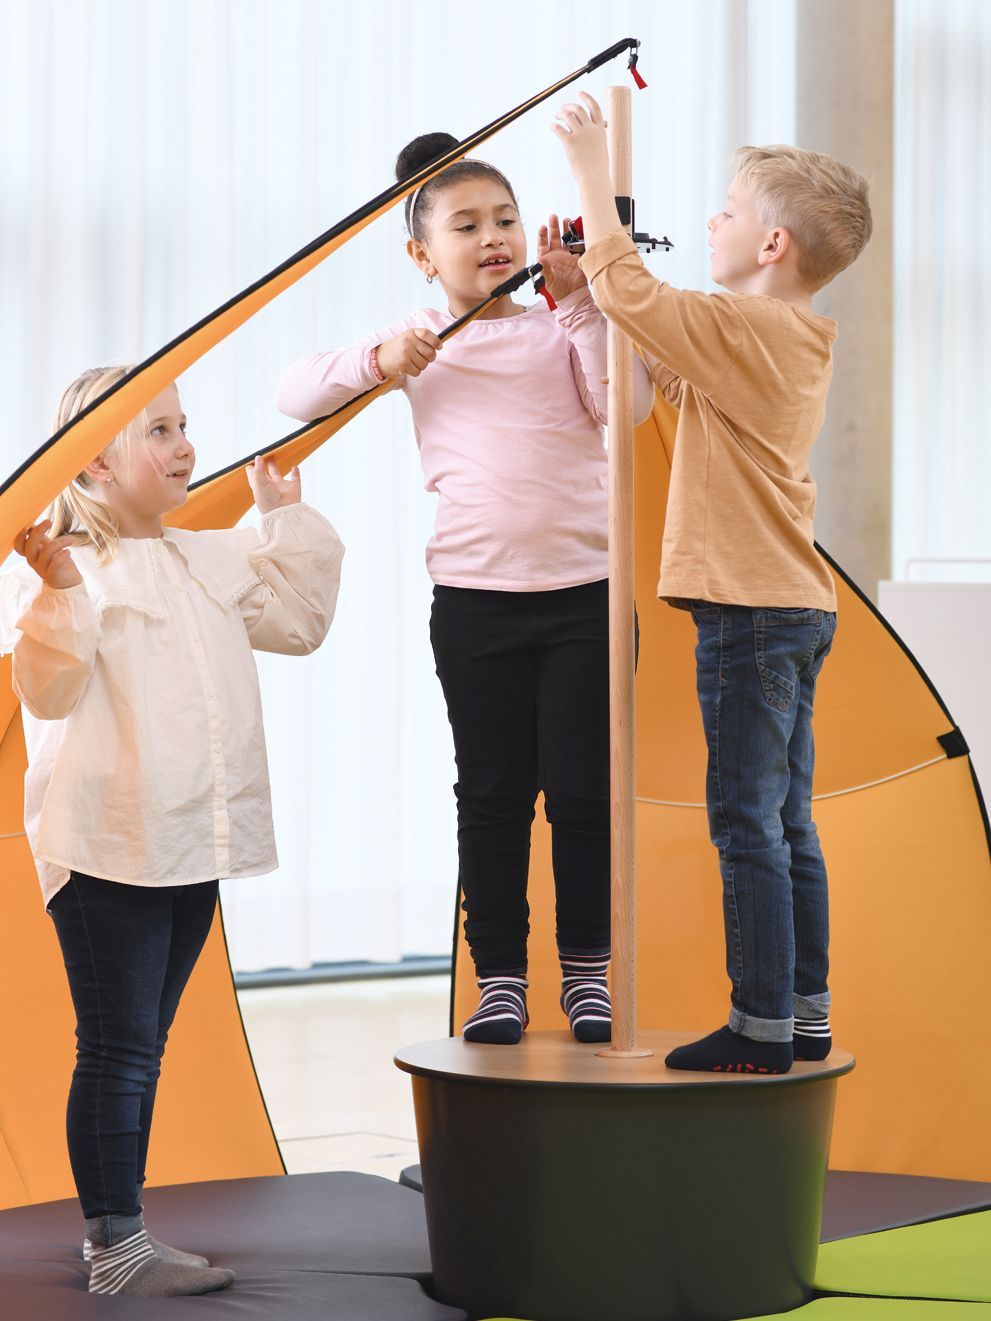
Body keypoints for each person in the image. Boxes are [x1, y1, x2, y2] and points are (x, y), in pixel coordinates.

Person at [277, 133, 653, 1046]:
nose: (493, 236)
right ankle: (501, 980)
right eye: (467, 224)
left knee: (582, 796)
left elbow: (626, 408)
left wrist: (579, 307)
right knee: (489, 795)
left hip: (586, 598)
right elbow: (296, 395)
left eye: (506, 219)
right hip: (475, 603)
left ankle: (587, 974)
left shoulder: (558, 320)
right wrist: (379, 356)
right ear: (421, 254)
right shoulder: (417, 346)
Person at [0, 365, 344, 1292]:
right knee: (115, 1046)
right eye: (156, 431)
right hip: (109, 848)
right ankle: (115, 1246)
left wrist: (279, 515)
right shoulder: (75, 571)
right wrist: (63, 591)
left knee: (142, 1045)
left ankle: (128, 1233)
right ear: (97, 467)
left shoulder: (209, 557)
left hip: (192, 846)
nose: (185, 444)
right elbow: (49, 689)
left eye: (182, 423)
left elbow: (303, 623)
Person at [553, 93, 872, 1074]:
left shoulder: (759, 333)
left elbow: (638, 300)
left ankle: (760, 1025)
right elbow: (650, 367)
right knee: (781, 819)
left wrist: (593, 175)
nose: (709, 222)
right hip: (783, 607)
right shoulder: (768, 341)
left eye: (727, 211)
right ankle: (802, 1012)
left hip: (750, 613)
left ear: (772, 243)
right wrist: (584, 290)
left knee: (747, 822)